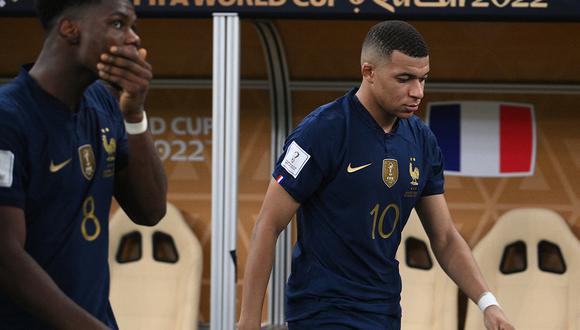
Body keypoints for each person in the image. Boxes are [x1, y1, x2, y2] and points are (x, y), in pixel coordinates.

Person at [239, 21, 514, 329]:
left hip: (384, 311)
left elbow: (445, 237)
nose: (417, 92)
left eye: (423, 79)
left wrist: (488, 304)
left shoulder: (422, 141)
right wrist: (249, 320)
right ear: (368, 72)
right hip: (322, 312)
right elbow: (268, 224)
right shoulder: (321, 132)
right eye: (404, 79)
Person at [0, 0, 167, 328]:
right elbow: (6, 258)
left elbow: (150, 210)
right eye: (118, 24)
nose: (133, 39)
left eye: (134, 27)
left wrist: (133, 113)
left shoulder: (104, 102)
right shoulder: (9, 119)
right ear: (69, 28)